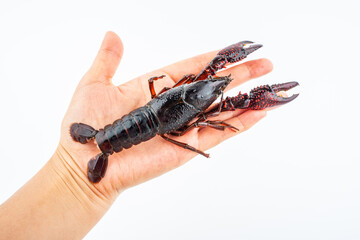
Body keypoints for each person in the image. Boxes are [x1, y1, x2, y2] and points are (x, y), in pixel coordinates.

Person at [0, 31, 273, 239]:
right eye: (217, 82)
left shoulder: (190, 82)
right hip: (145, 124)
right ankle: (99, 143)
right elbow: (196, 120)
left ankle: (97, 141)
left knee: (211, 102)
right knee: (216, 115)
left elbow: (178, 86)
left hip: (147, 116)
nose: (218, 81)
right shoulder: (195, 103)